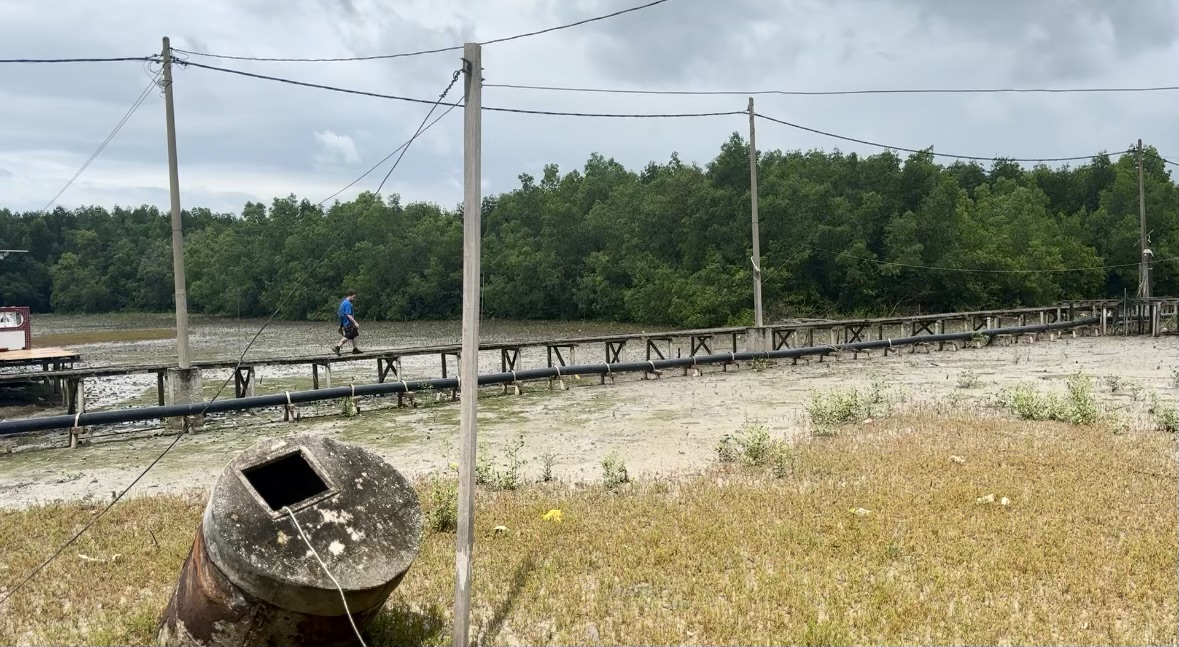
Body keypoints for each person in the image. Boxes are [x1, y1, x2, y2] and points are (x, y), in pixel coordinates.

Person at [332, 290, 362, 355]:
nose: (354, 299)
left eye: (355, 298)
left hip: (345, 323)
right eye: (353, 297)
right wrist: (355, 322)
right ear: (349, 296)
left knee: (354, 335)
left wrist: (340, 326)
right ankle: (337, 347)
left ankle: (355, 349)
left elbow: (340, 315)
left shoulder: (343, 303)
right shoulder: (348, 304)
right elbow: (348, 314)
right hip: (348, 323)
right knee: (347, 336)